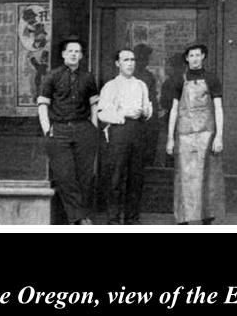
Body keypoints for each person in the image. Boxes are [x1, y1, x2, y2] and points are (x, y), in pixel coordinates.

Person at [36, 37, 99, 225]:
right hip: (59, 131)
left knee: (84, 176)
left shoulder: (88, 77)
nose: (74, 54)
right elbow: (42, 105)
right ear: (63, 54)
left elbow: (94, 105)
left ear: (81, 55)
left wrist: (94, 128)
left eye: (77, 51)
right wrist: (48, 130)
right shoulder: (52, 76)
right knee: (65, 176)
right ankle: (78, 217)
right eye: (70, 51)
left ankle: (79, 217)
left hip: (83, 129)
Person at [165, 43, 226, 225]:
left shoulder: (212, 78)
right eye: (191, 55)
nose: (195, 59)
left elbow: (218, 108)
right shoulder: (178, 80)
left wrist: (219, 136)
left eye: (198, 55)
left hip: (207, 136)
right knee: (184, 177)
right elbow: (174, 110)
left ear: (203, 57)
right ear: (187, 58)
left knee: (208, 177)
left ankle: (207, 219)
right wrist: (170, 139)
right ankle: (183, 220)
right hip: (184, 136)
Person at [97, 48, 153, 225]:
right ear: (117, 64)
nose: (130, 64)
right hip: (119, 132)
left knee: (136, 177)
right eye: (126, 60)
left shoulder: (141, 85)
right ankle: (113, 220)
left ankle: (132, 219)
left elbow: (148, 109)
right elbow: (102, 113)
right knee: (116, 176)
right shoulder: (111, 86)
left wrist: (145, 111)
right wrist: (124, 114)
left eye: (132, 60)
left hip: (138, 131)